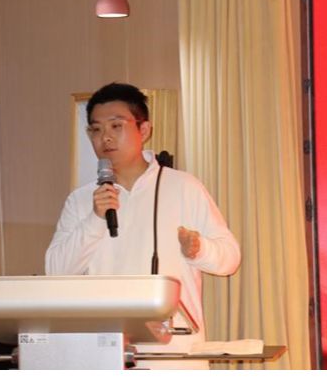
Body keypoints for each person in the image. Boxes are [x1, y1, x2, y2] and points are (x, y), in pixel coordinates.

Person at [45, 82, 241, 369]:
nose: (105, 137)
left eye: (116, 126)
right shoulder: (81, 200)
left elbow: (230, 259)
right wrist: (95, 220)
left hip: (175, 357)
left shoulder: (183, 187)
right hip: (106, 354)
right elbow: (55, 270)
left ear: (144, 130)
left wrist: (199, 249)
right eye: (96, 129)